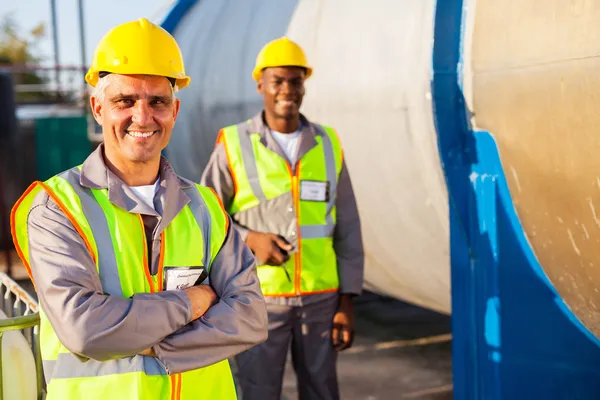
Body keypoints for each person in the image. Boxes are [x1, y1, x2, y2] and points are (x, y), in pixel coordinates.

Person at [10, 18, 267, 400]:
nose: (142, 117)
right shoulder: (56, 208)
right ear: (98, 108)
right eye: (124, 101)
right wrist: (193, 302)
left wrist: (152, 343)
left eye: (157, 102)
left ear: (175, 110)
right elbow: (85, 330)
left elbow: (249, 317)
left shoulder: (206, 207)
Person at [201, 36, 365, 400]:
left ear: (304, 85)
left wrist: (347, 301)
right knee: (258, 392)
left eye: (295, 80)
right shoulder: (233, 143)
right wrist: (249, 240)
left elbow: (348, 228)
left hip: (320, 300)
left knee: (322, 391)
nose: (287, 89)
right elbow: (206, 218)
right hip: (258, 299)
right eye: (278, 80)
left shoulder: (328, 143)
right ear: (261, 84)